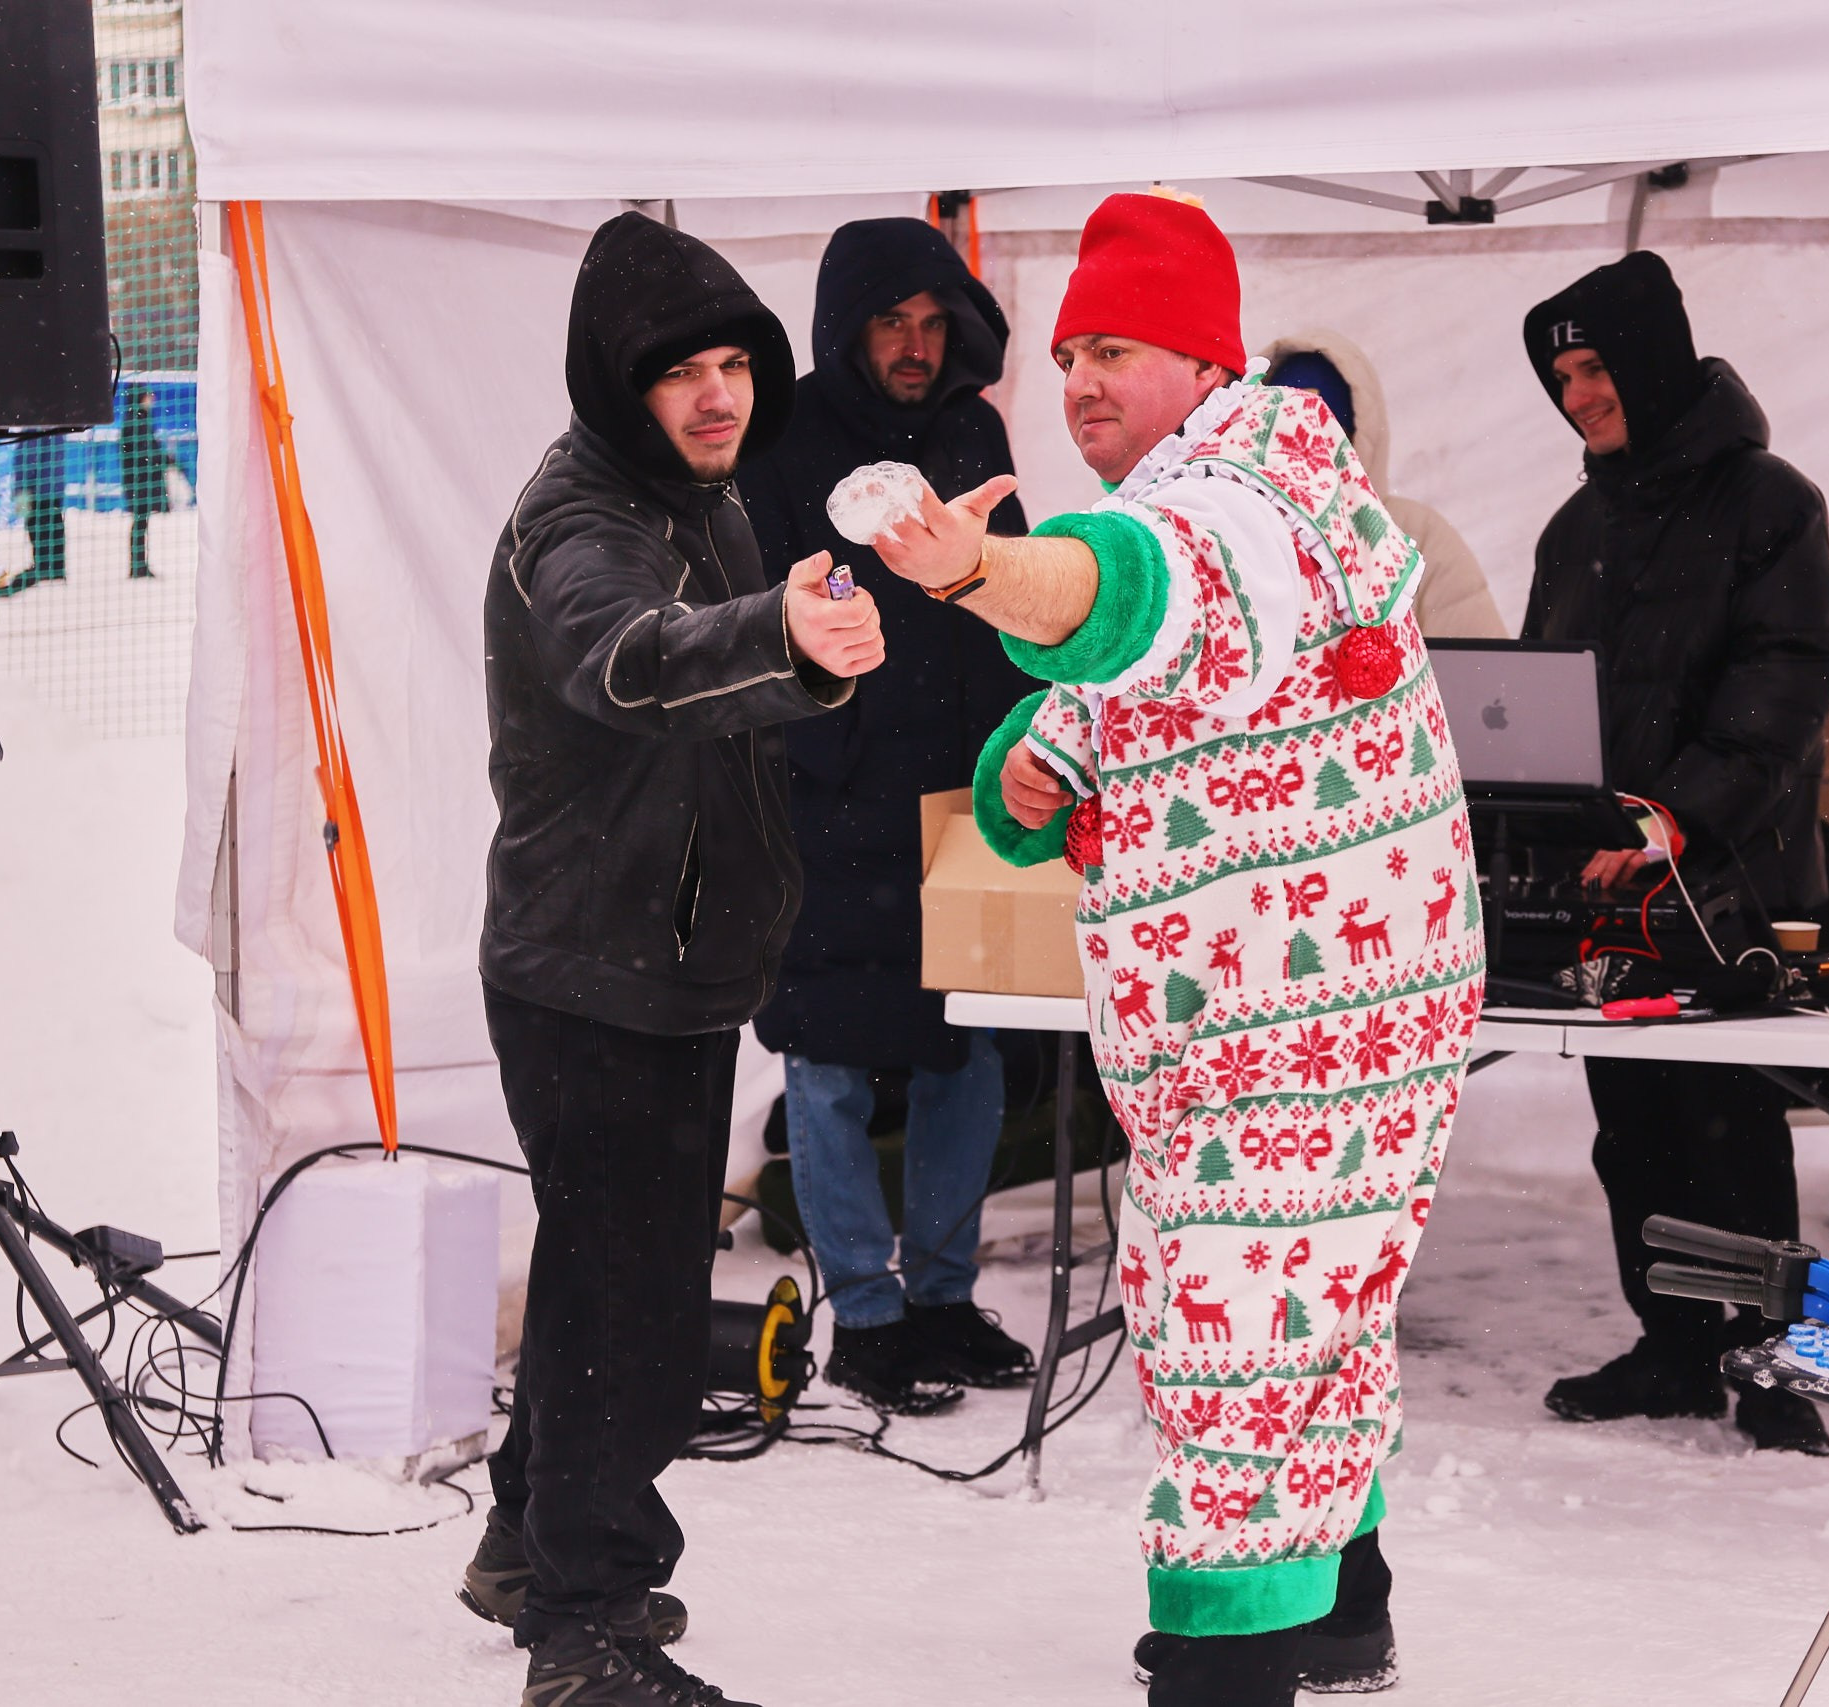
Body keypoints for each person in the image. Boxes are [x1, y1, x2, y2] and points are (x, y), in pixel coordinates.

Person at [870, 193, 1485, 1707]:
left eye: (1118, 347)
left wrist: (975, 575)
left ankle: (1224, 1669)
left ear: (1207, 365)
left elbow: (1125, 592)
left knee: (1239, 1333)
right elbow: (1123, 690)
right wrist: (1034, 771)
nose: (1080, 379)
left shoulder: (1250, 502)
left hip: (1310, 1020)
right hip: (1261, 1026)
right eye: (1068, 350)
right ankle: (1342, 1608)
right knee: (1299, 1319)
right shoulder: (1205, 496)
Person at [464, 210, 884, 1707]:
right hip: (591, 973)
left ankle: (530, 1545)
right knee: (625, 1313)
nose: (720, 397)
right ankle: (588, 1626)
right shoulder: (576, 525)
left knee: (604, 1282)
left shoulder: (701, 495)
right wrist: (779, 626)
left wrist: (802, 647)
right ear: (613, 383)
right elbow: (635, 658)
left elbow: (731, 686)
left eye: (734, 365)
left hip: (676, 960)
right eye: (683, 374)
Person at [1518, 251, 1829, 1455]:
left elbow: (1785, 681)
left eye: (1595, 368)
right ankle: (1671, 1346)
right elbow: (1539, 695)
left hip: (1728, 884)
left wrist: (1674, 817)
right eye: (1561, 375)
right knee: (1633, 1123)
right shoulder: (1574, 525)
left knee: (1729, 1126)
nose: (1579, 396)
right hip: (1607, 888)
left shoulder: (1771, 501)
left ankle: (1769, 1365)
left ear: (1650, 361)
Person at [740, 218, 1036, 1414]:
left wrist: (1019, 753)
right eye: (891, 322)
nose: (916, 347)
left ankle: (941, 1301)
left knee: (968, 1051)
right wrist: (821, 744)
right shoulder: (788, 439)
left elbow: (1014, 601)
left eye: (933, 324)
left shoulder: (973, 430)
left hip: (960, 799)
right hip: (827, 803)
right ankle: (861, 1314)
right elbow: (760, 607)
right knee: (829, 1063)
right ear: (847, 327)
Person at [1253, 332, 1506, 639]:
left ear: (1358, 439)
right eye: (1287, 437)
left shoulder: (1418, 539)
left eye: (1328, 438)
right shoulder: (1236, 536)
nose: (1308, 456)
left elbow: (1480, 676)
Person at [0, 432, 70, 598]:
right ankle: (55, 573)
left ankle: (44, 574)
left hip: (37, 493)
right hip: (52, 492)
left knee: (40, 536)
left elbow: (26, 464)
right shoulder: (56, 431)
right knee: (55, 534)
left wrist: (21, 493)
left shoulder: (35, 430)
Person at [120, 389, 172, 580]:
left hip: (140, 480)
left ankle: (139, 565)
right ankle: (138, 566)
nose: (152, 399)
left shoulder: (141, 419)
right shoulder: (136, 421)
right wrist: (164, 460)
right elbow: (145, 451)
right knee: (140, 522)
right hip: (139, 481)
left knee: (141, 522)